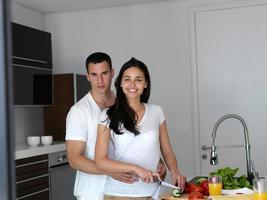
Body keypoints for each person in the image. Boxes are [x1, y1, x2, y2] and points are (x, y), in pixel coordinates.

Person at [65, 52, 166, 200]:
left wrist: (157, 160)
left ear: (112, 73)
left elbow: (134, 140)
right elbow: (74, 159)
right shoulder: (79, 111)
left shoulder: (123, 104)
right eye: (94, 74)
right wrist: (110, 171)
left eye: (104, 73)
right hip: (92, 190)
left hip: (125, 188)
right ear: (87, 76)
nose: (100, 80)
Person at [95, 57, 186, 200]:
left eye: (138, 79)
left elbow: (167, 151)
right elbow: (100, 161)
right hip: (118, 193)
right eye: (127, 79)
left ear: (145, 84)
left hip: (151, 193)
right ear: (120, 82)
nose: (132, 84)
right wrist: (136, 168)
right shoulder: (107, 115)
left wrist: (174, 171)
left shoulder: (156, 112)